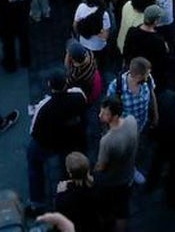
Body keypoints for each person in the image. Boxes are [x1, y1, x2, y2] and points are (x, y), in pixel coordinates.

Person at [27, 69, 88, 204]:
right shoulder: (78, 95)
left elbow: (34, 132)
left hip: (52, 144)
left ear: (49, 85)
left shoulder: (44, 107)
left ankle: (36, 200)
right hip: (74, 139)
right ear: (66, 83)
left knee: (32, 156)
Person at [93, 96, 138, 232]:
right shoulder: (131, 121)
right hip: (128, 175)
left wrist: (93, 172)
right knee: (122, 211)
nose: (100, 115)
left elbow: (101, 166)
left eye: (105, 114)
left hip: (111, 181)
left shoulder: (107, 141)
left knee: (104, 206)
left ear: (115, 115)